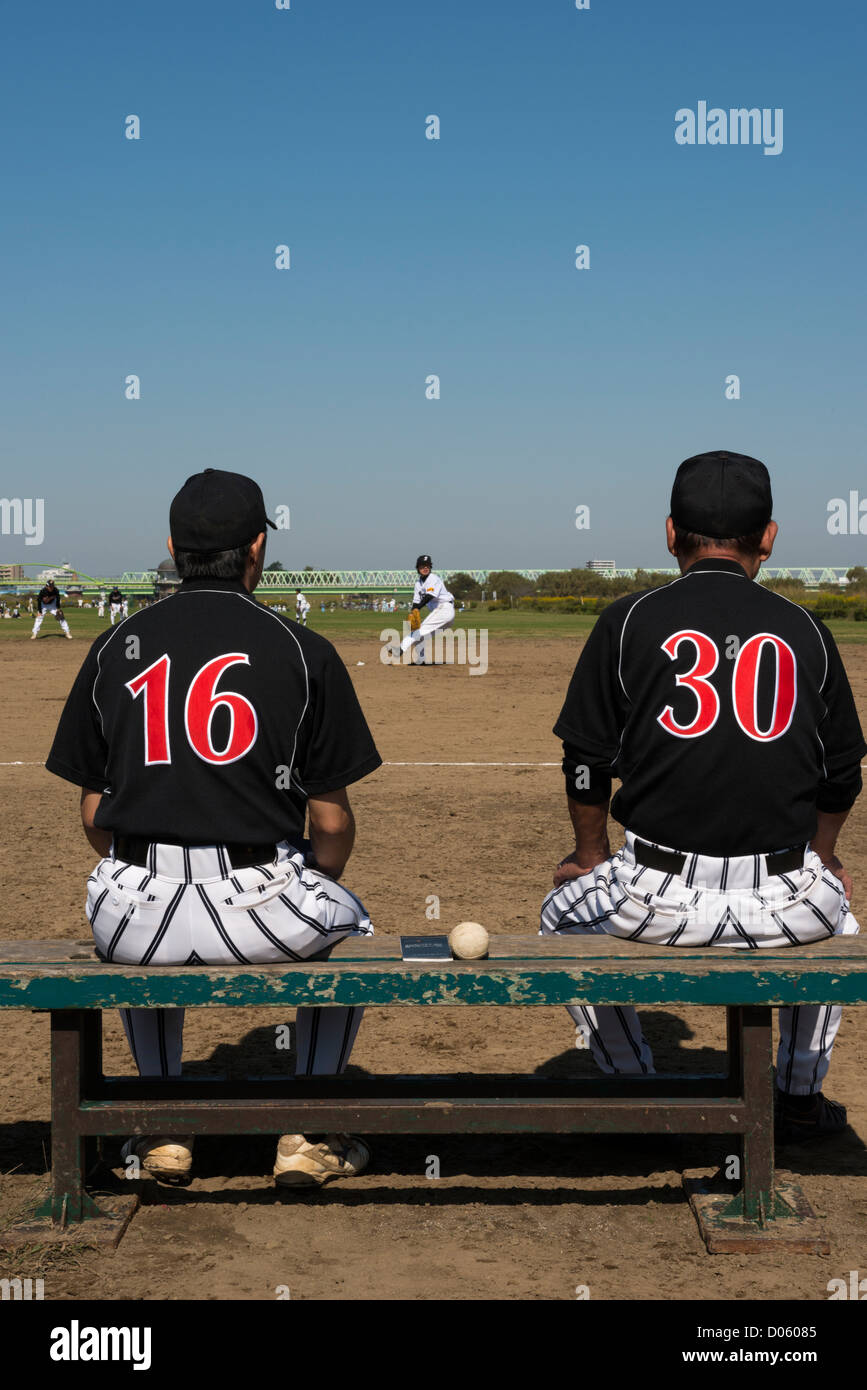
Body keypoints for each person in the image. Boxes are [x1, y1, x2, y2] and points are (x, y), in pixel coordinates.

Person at [46, 468, 382, 1187]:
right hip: (260, 905)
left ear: (171, 547)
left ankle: (165, 1129)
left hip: (133, 912)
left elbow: (92, 816)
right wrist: (317, 877)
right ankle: (307, 1133)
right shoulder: (300, 649)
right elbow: (330, 820)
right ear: (256, 548)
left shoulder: (115, 645)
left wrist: (150, 863)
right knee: (352, 929)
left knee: (136, 915)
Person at [540, 450, 865, 1141]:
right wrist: (823, 854)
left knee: (558, 916)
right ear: (768, 537)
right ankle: (797, 1097)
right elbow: (842, 774)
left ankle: (639, 1091)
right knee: (839, 922)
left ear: (669, 533)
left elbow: (584, 762)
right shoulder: (806, 629)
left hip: (653, 902)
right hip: (784, 903)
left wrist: (590, 852)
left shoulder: (626, 620)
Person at [399, 555, 455, 665]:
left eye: (427, 566)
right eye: (422, 566)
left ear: (430, 567)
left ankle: (400, 648)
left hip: (444, 609)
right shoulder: (418, 584)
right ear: (418, 568)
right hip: (442, 614)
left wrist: (418, 608)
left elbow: (429, 596)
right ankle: (421, 659)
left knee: (418, 632)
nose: (425, 568)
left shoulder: (433, 578)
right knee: (421, 636)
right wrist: (413, 611)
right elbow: (416, 602)